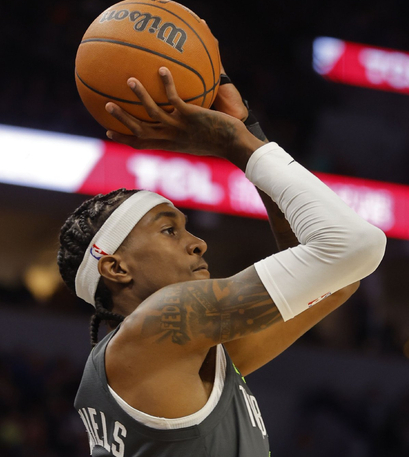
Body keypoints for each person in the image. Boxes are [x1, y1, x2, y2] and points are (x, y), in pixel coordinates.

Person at [57, 60, 386, 456]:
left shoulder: (175, 352)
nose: (198, 243)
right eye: (169, 231)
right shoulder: (158, 324)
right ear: (116, 267)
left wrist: (247, 133)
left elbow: (338, 280)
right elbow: (355, 246)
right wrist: (238, 143)